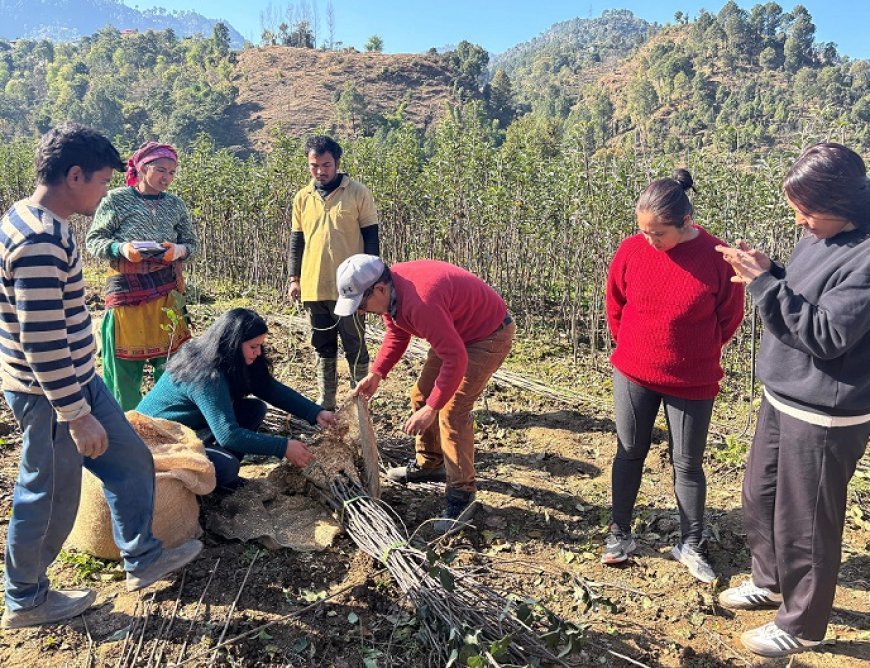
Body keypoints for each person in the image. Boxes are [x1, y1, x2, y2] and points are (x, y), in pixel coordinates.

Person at [0, 124, 202, 630]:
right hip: (49, 390)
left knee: (130, 459)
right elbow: (42, 342)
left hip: (75, 376)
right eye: (102, 181)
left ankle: (143, 557)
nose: (105, 191)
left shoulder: (34, 219)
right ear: (74, 176)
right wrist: (76, 415)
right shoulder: (41, 240)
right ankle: (26, 598)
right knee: (48, 494)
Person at [715, 143, 870, 658]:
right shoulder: (824, 234)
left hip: (826, 411)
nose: (801, 223)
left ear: (841, 203)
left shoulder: (867, 256)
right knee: (760, 498)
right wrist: (772, 272)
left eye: (807, 213)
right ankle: (771, 580)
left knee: (807, 521)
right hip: (784, 393)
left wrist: (764, 287)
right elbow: (804, 295)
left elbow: (827, 334)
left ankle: (803, 623)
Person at [603, 169, 744, 582]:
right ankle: (619, 533)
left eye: (657, 233)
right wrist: (634, 347)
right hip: (634, 373)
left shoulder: (717, 258)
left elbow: (729, 319)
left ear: (686, 223)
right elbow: (616, 303)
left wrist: (692, 354)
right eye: (643, 231)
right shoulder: (631, 250)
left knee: (688, 463)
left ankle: (690, 542)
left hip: (693, 380)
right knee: (629, 450)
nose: (649, 240)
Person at [336, 254, 515, 533]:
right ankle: (431, 463)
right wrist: (376, 374)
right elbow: (397, 335)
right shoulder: (391, 292)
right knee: (420, 394)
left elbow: (455, 358)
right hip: (456, 332)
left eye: (361, 304)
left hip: (486, 335)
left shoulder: (420, 302)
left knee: (452, 412)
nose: (360, 312)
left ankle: (462, 496)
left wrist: (432, 409)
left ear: (379, 289)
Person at [137, 308, 335, 490]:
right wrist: (282, 447)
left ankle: (223, 475)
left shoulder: (230, 360)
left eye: (260, 346)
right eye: (253, 347)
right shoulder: (205, 373)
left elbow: (270, 388)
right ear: (232, 344)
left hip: (185, 431)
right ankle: (219, 480)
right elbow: (228, 435)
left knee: (254, 409)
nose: (258, 353)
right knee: (226, 467)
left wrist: (316, 413)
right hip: (155, 442)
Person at [86, 140, 199, 411]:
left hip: (166, 291)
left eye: (172, 172)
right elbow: (94, 240)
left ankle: (170, 419)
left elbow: (192, 244)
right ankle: (127, 425)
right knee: (124, 367)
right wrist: (121, 248)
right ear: (142, 168)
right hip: (127, 291)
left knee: (172, 363)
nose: (166, 178)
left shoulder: (175, 205)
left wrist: (179, 251)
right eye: (161, 170)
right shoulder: (117, 200)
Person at [287, 135, 379, 411]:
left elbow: (371, 239)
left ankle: (358, 402)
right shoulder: (303, 198)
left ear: (337, 163)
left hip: (351, 288)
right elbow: (296, 241)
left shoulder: (358, 193)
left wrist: (371, 285)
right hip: (315, 284)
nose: (320, 171)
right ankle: (326, 399)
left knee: (355, 343)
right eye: (314, 166)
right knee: (322, 344)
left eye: (326, 165)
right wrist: (294, 278)